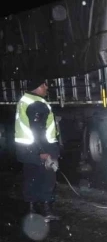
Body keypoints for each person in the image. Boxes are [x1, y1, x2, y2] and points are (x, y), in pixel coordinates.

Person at [14, 78, 61, 222]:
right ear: (40, 85)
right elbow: (37, 130)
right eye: (46, 85)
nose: (47, 88)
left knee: (31, 178)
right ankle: (47, 211)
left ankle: (31, 211)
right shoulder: (37, 104)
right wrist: (42, 152)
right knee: (47, 179)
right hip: (40, 149)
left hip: (26, 149)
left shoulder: (25, 100)